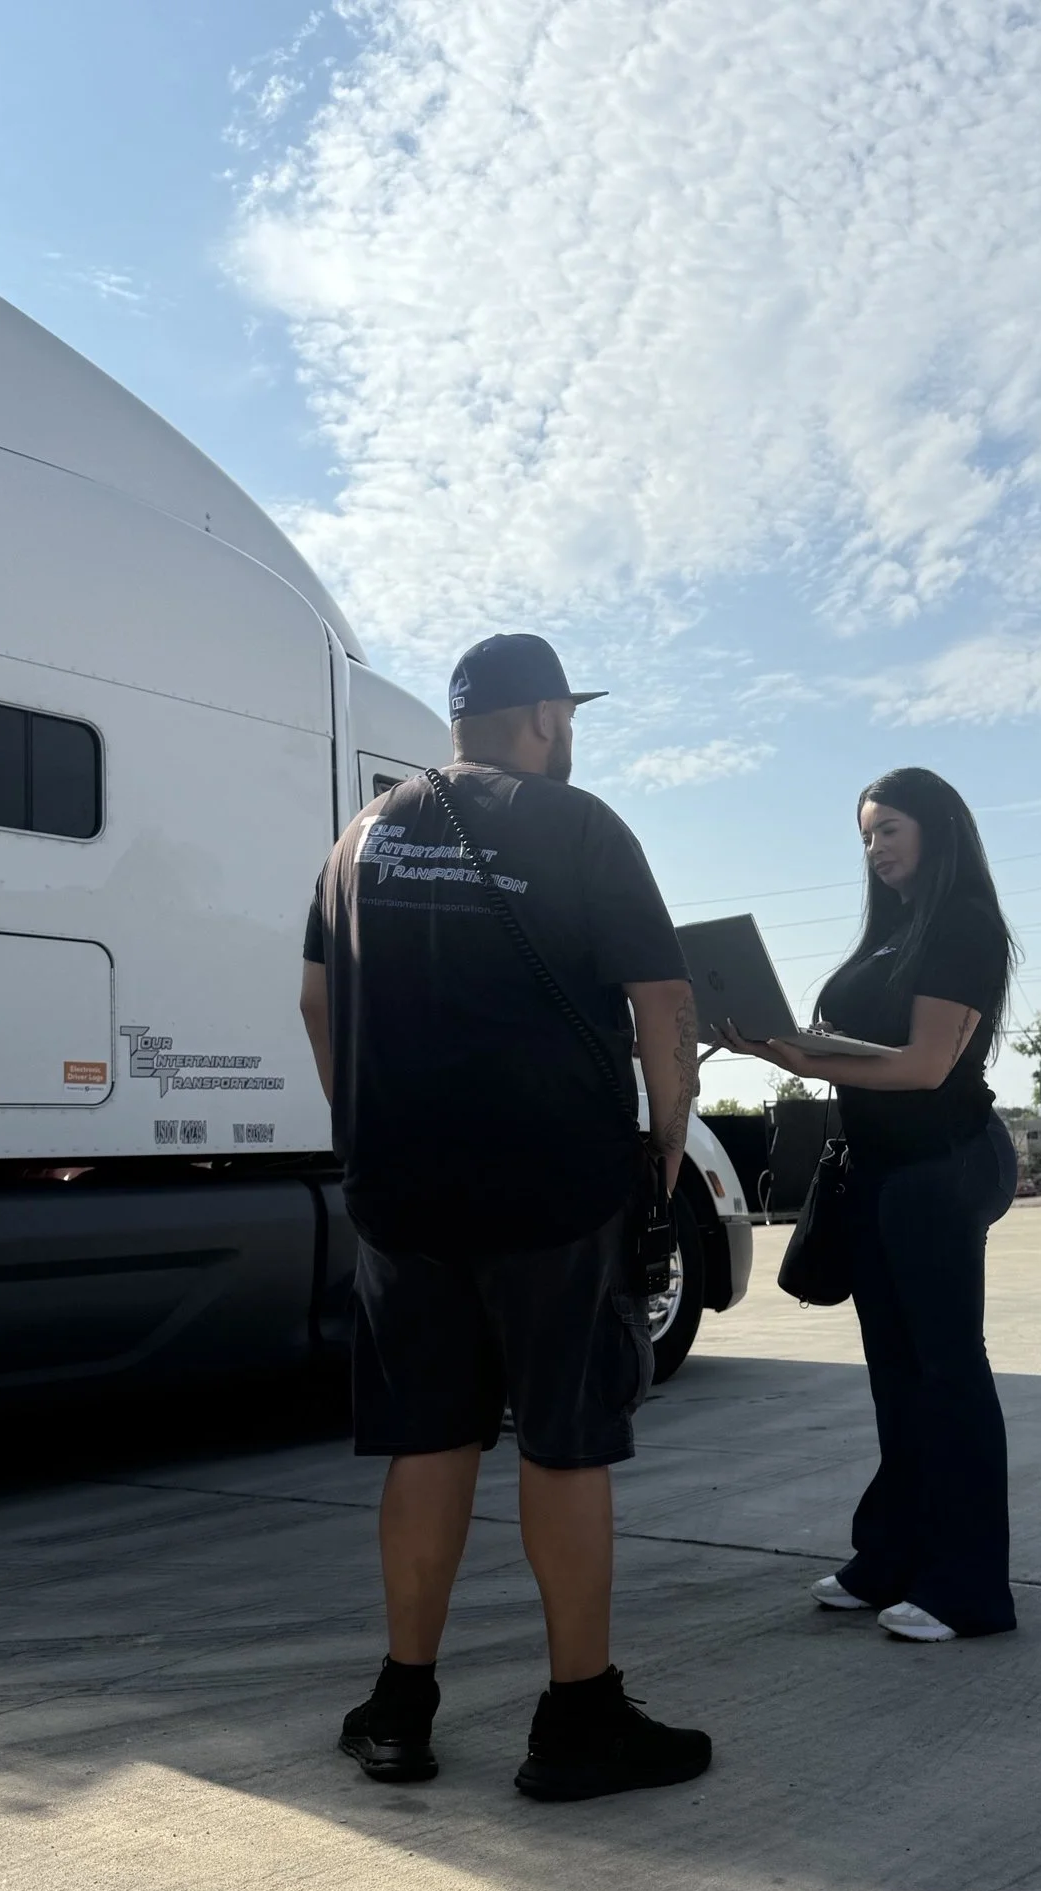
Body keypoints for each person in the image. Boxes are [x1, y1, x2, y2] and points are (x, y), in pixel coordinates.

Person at [299, 632, 710, 1800]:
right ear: (539, 717)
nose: (568, 733)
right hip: (553, 1188)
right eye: (565, 715)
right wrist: (668, 1139)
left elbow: (317, 998)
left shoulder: (357, 837)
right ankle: (579, 1717)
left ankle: (399, 1705)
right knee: (564, 1439)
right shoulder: (581, 826)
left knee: (427, 1438)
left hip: (401, 1195)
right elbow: (664, 998)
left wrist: (372, 1127)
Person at [722, 767, 1018, 1641]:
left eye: (889, 828)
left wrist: (804, 1061)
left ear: (936, 828)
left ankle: (971, 1588)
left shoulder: (963, 927)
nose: (875, 847)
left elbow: (927, 1066)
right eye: (865, 835)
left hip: (942, 1163)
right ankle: (892, 1556)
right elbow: (872, 1048)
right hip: (884, 1170)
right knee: (896, 1376)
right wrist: (780, 1040)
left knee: (948, 1372)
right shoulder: (892, 934)